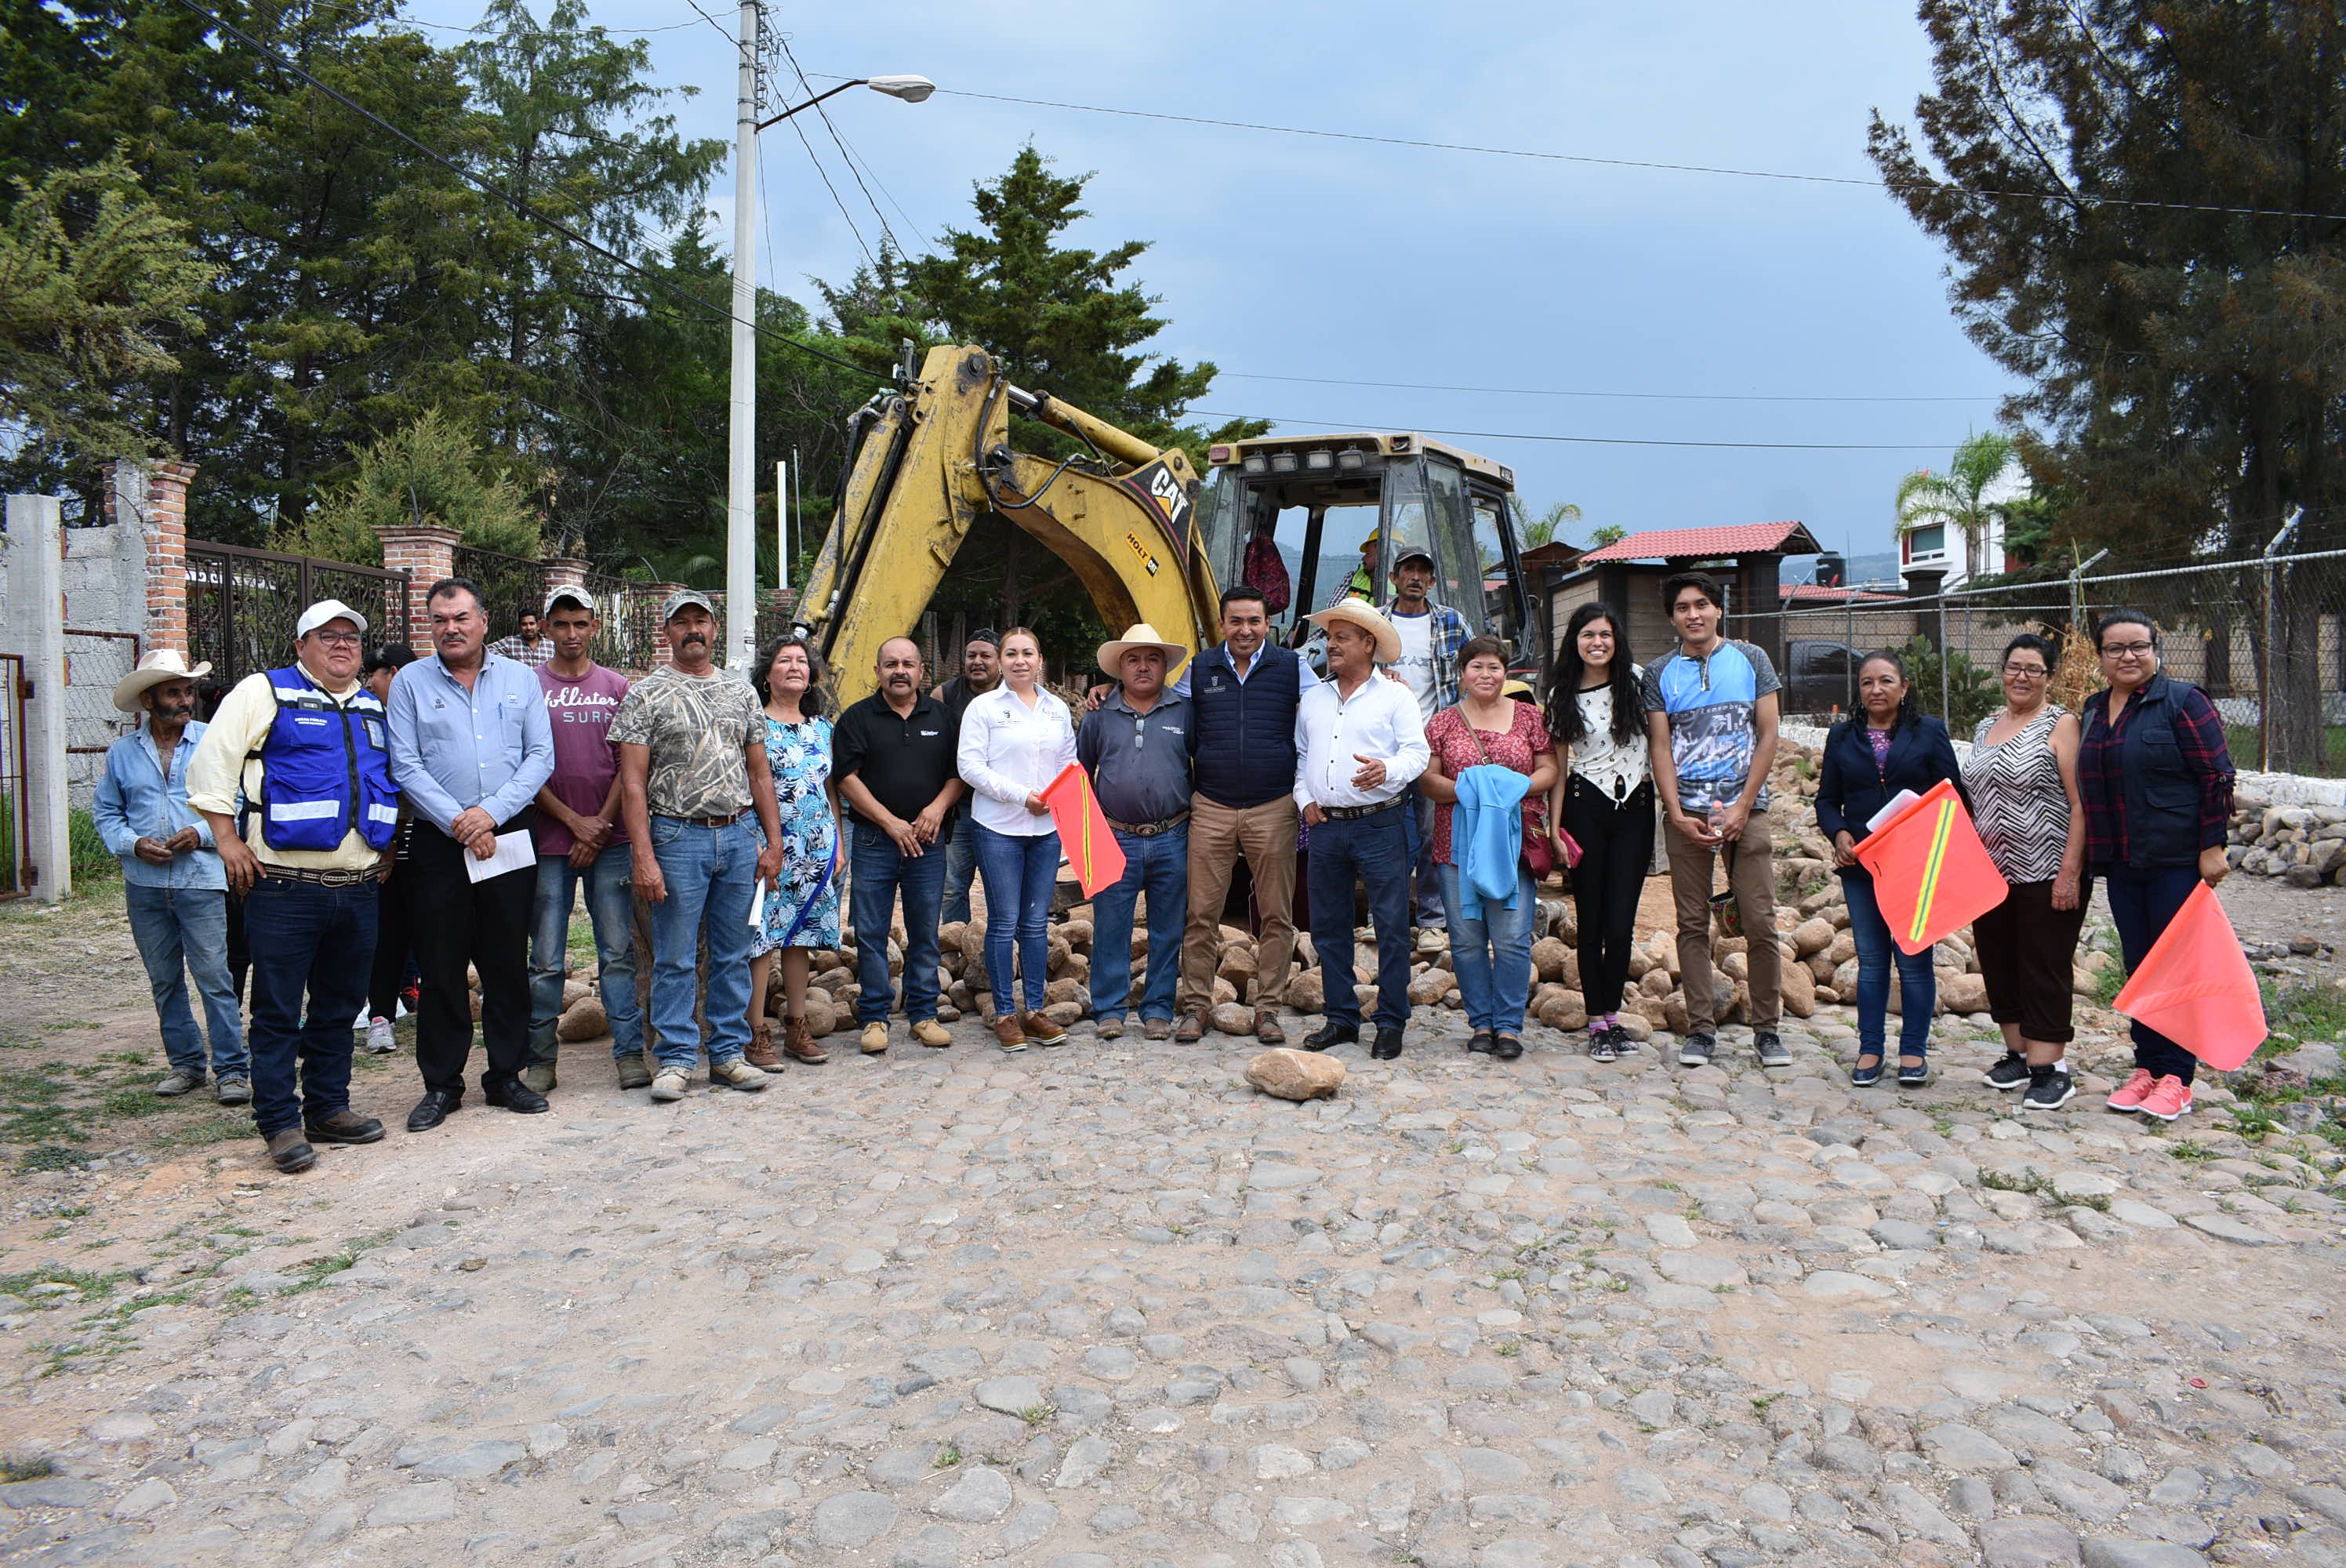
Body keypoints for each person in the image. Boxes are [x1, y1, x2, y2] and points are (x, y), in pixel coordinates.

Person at [187, 600, 394, 1174]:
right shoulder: (263, 692)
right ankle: (279, 1122)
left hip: (357, 887)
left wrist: (389, 851)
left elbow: (383, 784)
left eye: (351, 638)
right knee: (279, 1011)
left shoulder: (371, 707)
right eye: (326, 636)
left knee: (340, 1005)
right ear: (301, 645)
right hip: (284, 887)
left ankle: (328, 1108)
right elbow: (212, 766)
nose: (341, 646)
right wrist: (226, 840)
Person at [387, 578, 557, 1131]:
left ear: (483, 621)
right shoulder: (411, 682)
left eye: (460, 617)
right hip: (440, 841)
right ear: (429, 626)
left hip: (507, 833)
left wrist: (489, 815)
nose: (451, 629)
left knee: (506, 959)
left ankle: (506, 1077)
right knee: (440, 963)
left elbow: (539, 757)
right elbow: (404, 765)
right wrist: (462, 823)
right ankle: (442, 1085)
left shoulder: (520, 679)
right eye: (440, 620)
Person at [611, 590, 785, 1100]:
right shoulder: (645, 694)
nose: (693, 629)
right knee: (675, 955)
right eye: (681, 622)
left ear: (715, 630)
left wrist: (773, 842)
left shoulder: (741, 692)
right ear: (666, 632)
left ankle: (728, 1053)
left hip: (738, 835)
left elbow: (759, 772)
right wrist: (643, 855)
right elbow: (634, 782)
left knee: (732, 953)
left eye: (701, 621)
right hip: (675, 835)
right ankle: (677, 1058)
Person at [2079, 608, 2235, 1122]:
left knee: (2177, 970)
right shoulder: (2095, 709)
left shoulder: (2183, 701)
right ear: (2101, 657)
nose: (2128, 656)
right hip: (2122, 861)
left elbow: (2216, 775)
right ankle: (2146, 1068)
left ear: (2156, 649)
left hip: (2175, 861)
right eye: (2115, 649)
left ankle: (2178, 1079)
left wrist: (2212, 845)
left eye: (2138, 647)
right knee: (2141, 967)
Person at [1643, 571, 1789, 1069]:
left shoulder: (1752, 660)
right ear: (1672, 617)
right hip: (1687, 815)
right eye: (1683, 607)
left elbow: (1768, 734)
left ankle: (1767, 1029)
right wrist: (1676, 812)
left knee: (1760, 921)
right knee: (1691, 924)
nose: (1694, 614)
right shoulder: (1660, 672)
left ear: (1718, 609)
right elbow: (1659, 746)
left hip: (1748, 810)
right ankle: (1701, 1030)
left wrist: (1746, 804)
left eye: (1702, 604)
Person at [96, 648, 248, 1105]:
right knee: (164, 979)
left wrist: (201, 833)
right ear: (149, 701)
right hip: (143, 884)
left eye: (187, 691)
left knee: (215, 978)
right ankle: (186, 1065)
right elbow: (106, 812)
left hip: (201, 879)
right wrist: (132, 843)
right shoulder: (123, 753)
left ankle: (232, 1070)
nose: (186, 700)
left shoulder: (211, 741)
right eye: (174, 693)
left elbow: (238, 802)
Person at [1817, 651, 1967, 1087]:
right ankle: (1870, 1049)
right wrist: (1839, 834)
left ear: (1904, 688)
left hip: (1915, 867)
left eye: (1886, 681)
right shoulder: (1842, 737)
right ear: (1859, 691)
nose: (1876, 690)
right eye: (1867, 683)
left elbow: (1951, 796)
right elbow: (1827, 799)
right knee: (1871, 960)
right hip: (1863, 865)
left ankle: (1913, 1051)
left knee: (1915, 963)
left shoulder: (1930, 733)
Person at [1178, 586, 1317, 1044]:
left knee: (1276, 915)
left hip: (1273, 806)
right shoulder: (1200, 669)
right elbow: (1159, 703)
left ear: (1267, 625)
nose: (1245, 630)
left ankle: (1268, 1010)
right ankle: (1196, 1007)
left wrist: (1384, 677)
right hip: (1212, 806)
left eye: (1254, 621)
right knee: (1201, 912)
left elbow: (1331, 707)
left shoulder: (1292, 667)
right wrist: (1108, 689)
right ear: (1222, 625)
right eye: (1236, 621)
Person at [1295, 599, 1429, 1060]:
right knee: (1328, 926)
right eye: (1330, 637)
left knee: (1391, 925)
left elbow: (1418, 754)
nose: (1331, 645)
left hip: (1380, 822)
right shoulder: (1313, 697)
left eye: (1341, 638)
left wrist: (1387, 769)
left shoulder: (1396, 696)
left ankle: (1391, 1022)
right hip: (1327, 827)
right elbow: (1300, 757)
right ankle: (1341, 1020)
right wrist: (1305, 800)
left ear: (1368, 644)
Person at [525, 586, 646, 1091]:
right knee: (547, 958)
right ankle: (541, 1061)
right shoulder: (528, 686)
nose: (570, 634)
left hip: (612, 840)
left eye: (580, 624)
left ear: (595, 627)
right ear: (547, 629)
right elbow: (524, 765)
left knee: (617, 952)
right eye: (561, 624)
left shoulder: (617, 687)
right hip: (549, 840)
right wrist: (575, 823)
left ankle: (629, 1055)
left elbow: (630, 765)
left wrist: (598, 824)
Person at [1966, 633, 2087, 1110]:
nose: (2021, 677)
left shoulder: (2062, 725)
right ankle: (2018, 1054)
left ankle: (2052, 1069)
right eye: (2014, 667)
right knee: (1999, 963)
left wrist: (2070, 872)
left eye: (2033, 669)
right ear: (2002, 671)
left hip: (2046, 868)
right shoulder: (1985, 724)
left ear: (2049, 677)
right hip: (1991, 873)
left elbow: (2080, 804)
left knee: (2044, 966)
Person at [1419, 636, 1555, 1060]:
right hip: (1455, 845)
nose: (1485, 675)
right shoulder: (1442, 723)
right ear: (1462, 674)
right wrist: (1475, 790)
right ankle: (1480, 1022)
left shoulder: (1531, 718)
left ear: (1506, 672)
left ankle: (1509, 1025)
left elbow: (1549, 768)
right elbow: (1428, 780)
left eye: (1494, 667)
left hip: (1515, 844)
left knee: (1513, 938)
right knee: (1466, 940)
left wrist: (1508, 789)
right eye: (1476, 666)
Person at [833, 636, 964, 1054]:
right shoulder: (857, 718)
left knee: (924, 931)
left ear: (922, 671)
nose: (900, 671)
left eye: (908, 664)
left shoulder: (943, 717)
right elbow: (846, 778)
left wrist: (937, 810)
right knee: (870, 932)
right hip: (875, 840)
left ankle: (923, 1015)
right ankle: (874, 1018)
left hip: (928, 842)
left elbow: (959, 773)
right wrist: (890, 822)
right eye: (891, 664)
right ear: (878, 672)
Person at [957, 628, 1078, 1051]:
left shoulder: (1057, 709)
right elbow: (969, 766)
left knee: (1035, 923)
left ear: (1040, 659)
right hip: (998, 829)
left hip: (1045, 831)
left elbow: (1069, 762)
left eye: (1028, 652)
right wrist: (1021, 797)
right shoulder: (983, 707)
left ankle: (1035, 1011)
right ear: (1001, 661)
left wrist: (1056, 798)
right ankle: (1006, 1014)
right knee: (1004, 921)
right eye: (1012, 653)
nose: (1020, 660)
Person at [1545, 603, 1652, 1062]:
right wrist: (1554, 829)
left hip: (1636, 809)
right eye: (1588, 635)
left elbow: (1661, 742)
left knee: (1621, 921)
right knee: (1590, 920)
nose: (1597, 643)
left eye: (1606, 635)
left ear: (1617, 639)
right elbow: (1559, 765)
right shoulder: (1561, 693)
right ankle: (1596, 1022)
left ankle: (1613, 1014)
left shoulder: (1637, 680)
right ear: (1575, 640)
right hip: (1584, 808)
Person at [1079, 625, 1193, 1040]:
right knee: (1111, 924)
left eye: (1152, 658)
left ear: (1165, 666)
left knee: (1168, 927)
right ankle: (1109, 1008)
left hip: (1173, 835)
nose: (1143, 667)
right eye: (1133, 659)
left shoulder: (1185, 710)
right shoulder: (1099, 715)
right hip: (1115, 835)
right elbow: (1082, 774)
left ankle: (1158, 1008)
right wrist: (1091, 837)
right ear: (1120, 668)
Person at [747, 634, 840, 1067]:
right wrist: (764, 844)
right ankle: (755, 1033)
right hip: (771, 847)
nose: (795, 667)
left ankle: (797, 1027)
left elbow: (828, 789)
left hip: (817, 847)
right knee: (762, 938)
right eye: (784, 661)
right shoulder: (755, 726)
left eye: (802, 662)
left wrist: (837, 842)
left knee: (799, 936)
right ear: (767, 675)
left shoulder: (822, 728)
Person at [1383, 546, 1469, 931]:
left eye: (1423, 571)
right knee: (1388, 833)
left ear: (1432, 581)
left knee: (1435, 832)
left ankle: (1433, 917)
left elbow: (1476, 666)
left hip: (1435, 747)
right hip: (1385, 746)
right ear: (1394, 578)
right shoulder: (1377, 623)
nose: (1415, 576)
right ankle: (1385, 917)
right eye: (1408, 570)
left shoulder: (1450, 622)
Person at [361, 643, 419, 1055]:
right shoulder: (366, 717)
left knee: (436, 929)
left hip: (430, 835)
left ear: (393, 674)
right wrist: (388, 842)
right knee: (389, 933)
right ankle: (381, 1016)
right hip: (384, 844)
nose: (368, 683)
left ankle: (432, 1006)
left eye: (374, 675)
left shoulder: (420, 711)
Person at [934, 630, 1001, 927]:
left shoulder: (1013, 694)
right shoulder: (945, 695)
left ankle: (1005, 944)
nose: (977, 662)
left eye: (985, 656)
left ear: (999, 661)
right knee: (952, 887)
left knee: (1002, 885)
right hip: (959, 809)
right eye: (971, 655)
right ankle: (957, 944)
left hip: (1003, 808)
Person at [488, 609, 554, 669]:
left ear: (538, 626)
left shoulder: (551, 646)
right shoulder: (511, 642)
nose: (528, 628)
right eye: (524, 624)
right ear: (519, 626)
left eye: (532, 624)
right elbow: (488, 649)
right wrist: (508, 663)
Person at [1327, 532, 1379, 607]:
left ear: (1382, 553)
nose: (1363, 558)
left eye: (1368, 553)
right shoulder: (1352, 577)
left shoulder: (1399, 584)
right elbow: (1333, 607)